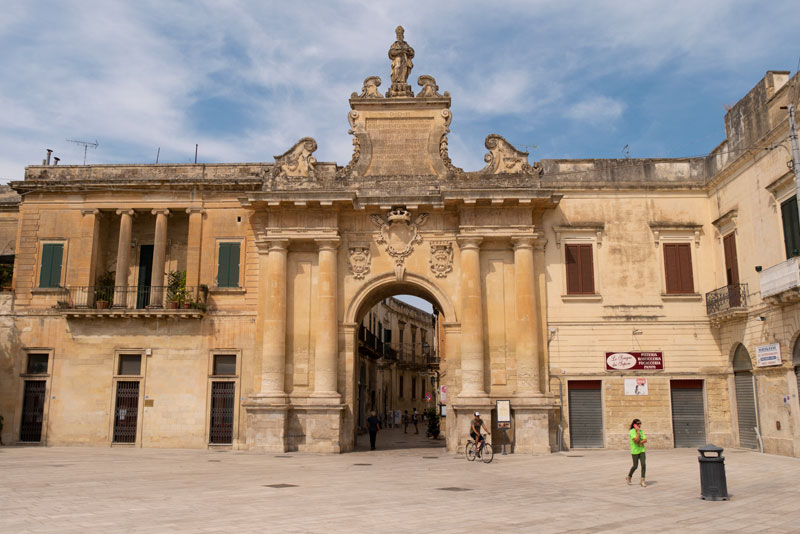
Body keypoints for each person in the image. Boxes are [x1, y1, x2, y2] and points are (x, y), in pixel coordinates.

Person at [627, 419, 647, 487]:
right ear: (634, 424)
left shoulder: (641, 431)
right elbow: (636, 440)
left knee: (643, 464)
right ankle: (629, 477)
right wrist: (637, 432)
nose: (639, 425)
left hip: (642, 450)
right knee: (635, 466)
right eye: (638, 424)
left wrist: (640, 442)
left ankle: (642, 480)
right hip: (635, 451)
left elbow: (645, 439)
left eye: (640, 423)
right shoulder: (631, 432)